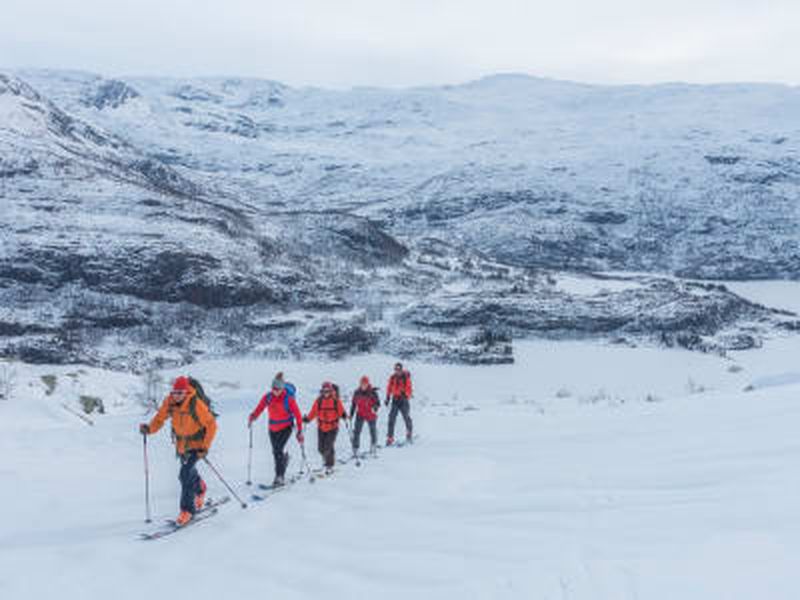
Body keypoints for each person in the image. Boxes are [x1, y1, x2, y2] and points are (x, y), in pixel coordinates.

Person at [139, 376, 217, 526]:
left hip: (197, 445)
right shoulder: (170, 402)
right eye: (174, 392)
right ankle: (200, 489)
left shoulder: (196, 404)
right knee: (187, 474)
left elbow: (211, 425)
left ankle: (187, 510)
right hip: (181, 445)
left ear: (186, 391)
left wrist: (205, 447)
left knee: (184, 474)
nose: (176, 395)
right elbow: (159, 419)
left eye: (180, 392)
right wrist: (149, 429)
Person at [248, 372, 304, 486]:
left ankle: (279, 477)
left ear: (282, 388)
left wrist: (299, 431)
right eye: (273, 388)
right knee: (275, 452)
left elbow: (298, 415)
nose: (275, 391)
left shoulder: (289, 399)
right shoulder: (268, 397)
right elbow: (259, 408)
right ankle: (284, 461)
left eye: (278, 389)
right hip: (272, 428)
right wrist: (253, 417)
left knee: (278, 451)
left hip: (286, 427)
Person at [303, 381, 347, 472]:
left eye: (328, 391)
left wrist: (344, 415)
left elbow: (341, 410)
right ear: (322, 391)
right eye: (324, 391)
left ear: (331, 391)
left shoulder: (335, 400)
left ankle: (329, 465)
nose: (326, 393)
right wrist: (307, 419)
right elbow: (313, 412)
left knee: (328, 446)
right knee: (320, 448)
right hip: (321, 427)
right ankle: (327, 459)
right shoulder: (319, 401)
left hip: (332, 427)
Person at [350, 375, 380, 455]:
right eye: (362, 384)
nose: (363, 385)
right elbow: (353, 404)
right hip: (360, 414)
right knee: (356, 432)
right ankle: (356, 448)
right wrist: (351, 414)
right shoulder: (357, 392)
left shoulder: (372, 392)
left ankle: (373, 446)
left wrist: (375, 407)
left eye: (365, 384)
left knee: (372, 431)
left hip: (370, 414)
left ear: (368, 384)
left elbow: (378, 403)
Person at [385, 362, 413, 446]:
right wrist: (387, 398)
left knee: (406, 417)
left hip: (403, 400)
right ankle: (390, 438)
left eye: (398, 369)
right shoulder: (392, 378)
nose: (397, 371)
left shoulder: (406, 378)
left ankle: (409, 433)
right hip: (395, 400)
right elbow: (389, 387)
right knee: (391, 418)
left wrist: (406, 394)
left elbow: (409, 388)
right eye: (396, 369)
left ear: (401, 369)